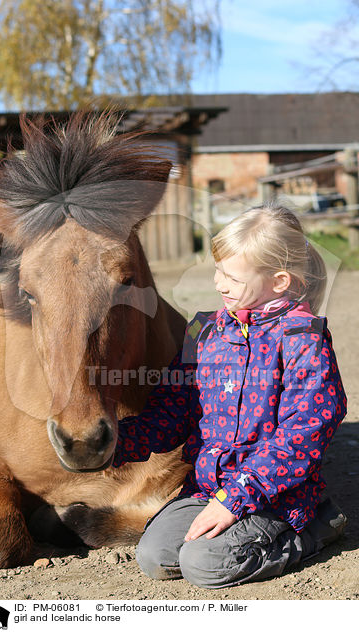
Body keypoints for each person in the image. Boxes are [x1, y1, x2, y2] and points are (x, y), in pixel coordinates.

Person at [113, 204, 348, 588]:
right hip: (208, 488)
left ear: (280, 281)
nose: (220, 284)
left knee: (204, 565)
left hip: (275, 495)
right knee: (155, 557)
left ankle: (316, 526)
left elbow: (303, 434)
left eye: (233, 277)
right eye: (218, 270)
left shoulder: (302, 340)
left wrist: (236, 499)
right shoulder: (204, 332)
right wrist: (119, 444)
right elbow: (172, 410)